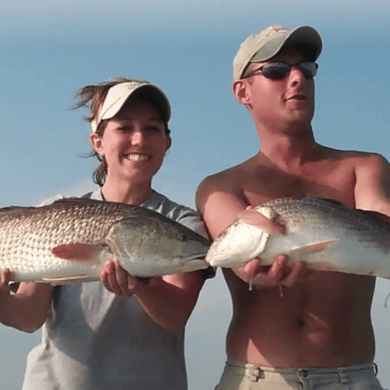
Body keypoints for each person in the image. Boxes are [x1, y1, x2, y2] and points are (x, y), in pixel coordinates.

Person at [196, 26, 388, 390]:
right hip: (255, 380)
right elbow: (237, 256)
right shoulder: (220, 185)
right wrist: (257, 274)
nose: (298, 77)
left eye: (307, 68)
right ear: (243, 91)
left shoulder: (365, 167)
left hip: (353, 378)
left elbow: (381, 218)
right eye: (277, 70)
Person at [0, 78, 212, 390]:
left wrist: (143, 286)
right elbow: (29, 316)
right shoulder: (54, 214)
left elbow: (176, 315)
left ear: (167, 142)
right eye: (124, 128)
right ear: (97, 142)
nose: (139, 139)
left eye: (153, 128)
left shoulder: (184, 224)